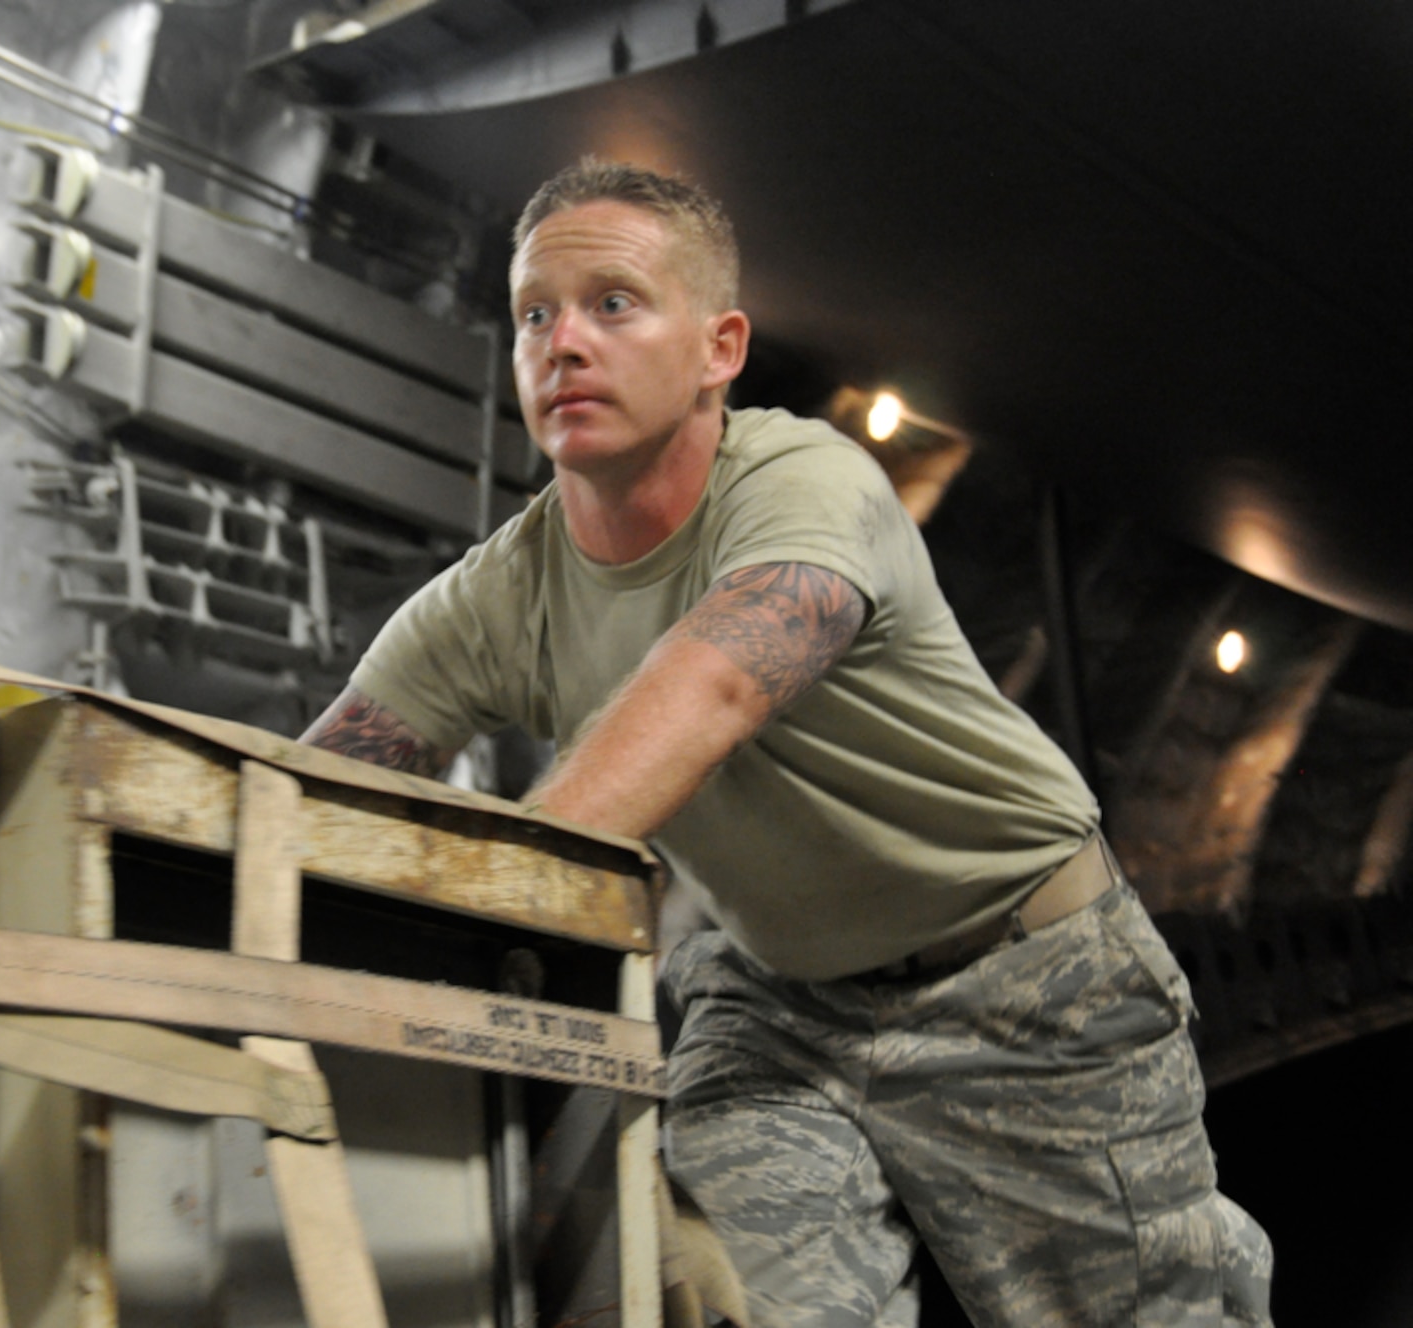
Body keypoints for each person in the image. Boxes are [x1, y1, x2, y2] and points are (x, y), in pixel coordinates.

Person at [300, 158, 1273, 1326]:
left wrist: (509, 898)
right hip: (781, 1007)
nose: (563, 344)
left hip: (1024, 979)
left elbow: (713, 684)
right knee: (747, 1303)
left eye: (612, 303)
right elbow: (314, 796)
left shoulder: (805, 483)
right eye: (533, 314)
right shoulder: (495, 597)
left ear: (718, 348)